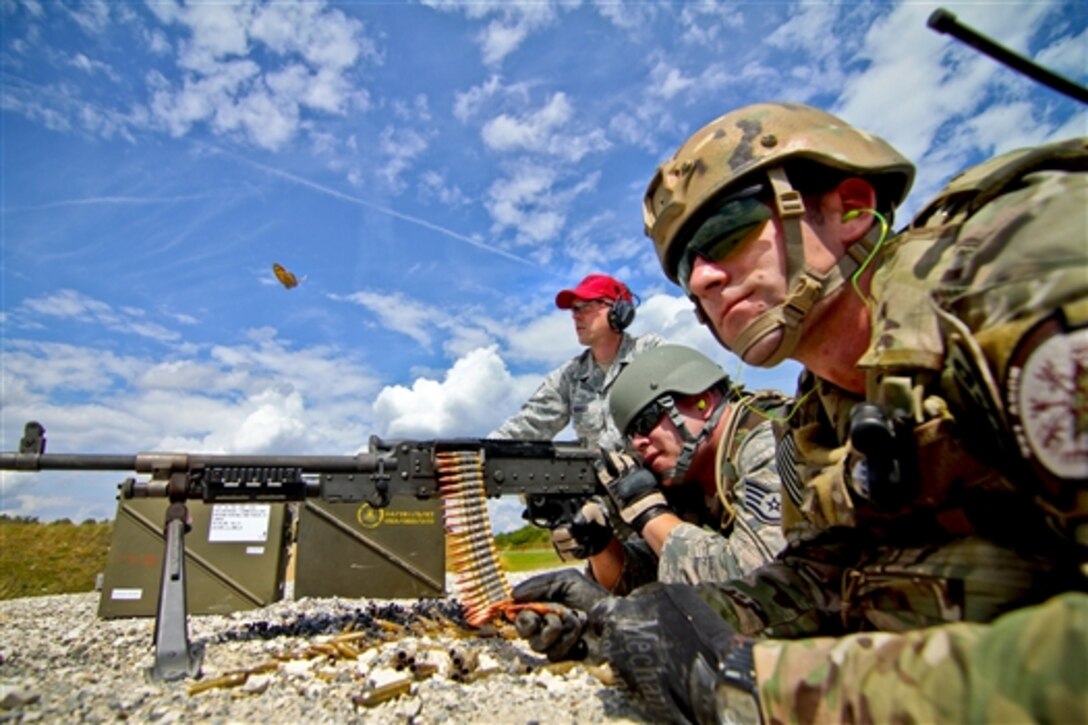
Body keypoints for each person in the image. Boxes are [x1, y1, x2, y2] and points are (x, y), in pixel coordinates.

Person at [511, 103, 1087, 722]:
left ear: (851, 209)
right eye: (685, 267)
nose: (702, 279)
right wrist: (615, 621)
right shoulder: (823, 416)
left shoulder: (1012, 280)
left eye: (729, 229)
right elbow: (810, 588)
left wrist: (760, 689)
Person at [551, 344, 789, 593]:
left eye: (647, 421)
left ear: (703, 404)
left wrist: (648, 510)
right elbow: (649, 578)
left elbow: (762, 584)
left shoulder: (769, 443)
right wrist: (600, 546)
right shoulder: (684, 480)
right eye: (631, 434)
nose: (638, 442)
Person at [490, 273, 664, 452]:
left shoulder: (650, 351)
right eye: (574, 309)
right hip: (598, 478)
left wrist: (605, 452)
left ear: (619, 311)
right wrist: (483, 450)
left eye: (586, 307)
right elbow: (530, 422)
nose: (576, 316)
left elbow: (679, 403)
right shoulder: (571, 374)